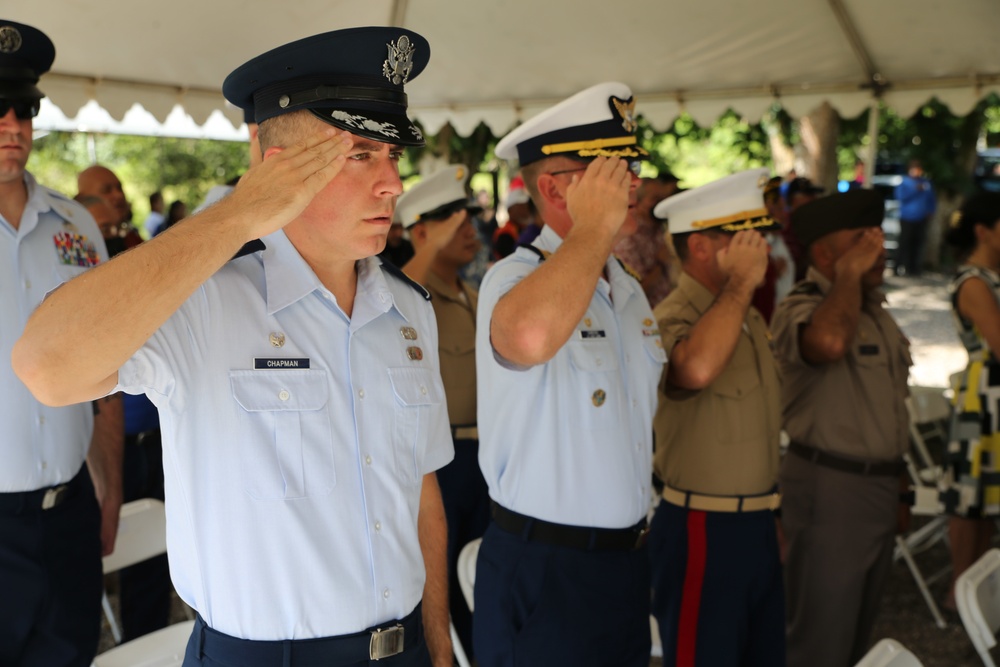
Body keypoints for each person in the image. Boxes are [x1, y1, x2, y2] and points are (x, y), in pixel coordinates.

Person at [15, 26, 454, 667]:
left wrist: (440, 647)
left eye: (393, 156)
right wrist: (236, 217)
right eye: (361, 154)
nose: (392, 183)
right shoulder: (201, 298)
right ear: (278, 171)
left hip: (405, 649)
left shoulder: (406, 309)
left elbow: (420, 491)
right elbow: (44, 367)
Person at [474, 81, 665, 666]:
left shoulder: (624, 285)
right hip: (546, 568)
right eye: (611, 170)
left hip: (625, 564)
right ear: (555, 188)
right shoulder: (512, 279)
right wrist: (591, 231)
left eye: (631, 165)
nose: (633, 183)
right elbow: (530, 335)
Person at [0, 19, 123, 667]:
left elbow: (104, 372)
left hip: (69, 513)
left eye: (24, 108)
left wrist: (109, 492)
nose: (13, 123)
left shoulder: (75, 225)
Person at [649, 168, 784, 667]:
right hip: (702, 527)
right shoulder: (672, 315)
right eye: (743, 236)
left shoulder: (744, 314)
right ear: (702, 247)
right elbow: (696, 368)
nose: (760, 246)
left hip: (756, 521)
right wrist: (745, 282)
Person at [771, 190, 911, 667]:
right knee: (819, 640)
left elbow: (890, 408)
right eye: (861, 240)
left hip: (877, 487)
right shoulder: (802, 305)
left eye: (878, 236)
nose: (878, 248)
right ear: (825, 255)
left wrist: (902, 487)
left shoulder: (875, 311)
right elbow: (828, 342)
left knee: (855, 637)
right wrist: (849, 275)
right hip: (831, 490)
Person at [397, 164, 489, 657]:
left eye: (471, 219)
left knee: (480, 575)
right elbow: (402, 289)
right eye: (455, 222)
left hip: (484, 455)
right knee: (441, 576)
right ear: (421, 231)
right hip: (442, 461)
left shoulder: (475, 297)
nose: (469, 231)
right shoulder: (411, 295)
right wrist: (428, 243)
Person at [941, 192, 1000, 610]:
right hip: (984, 397)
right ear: (983, 231)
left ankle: (978, 594)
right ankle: (960, 590)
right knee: (969, 498)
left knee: (985, 498)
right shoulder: (974, 281)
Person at [613, 172, 681, 307]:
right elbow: (634, 292)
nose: (661, 204)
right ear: (636, 202)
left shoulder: (659, 229)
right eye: (655, 199)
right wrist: (660, 264)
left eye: (663, 198)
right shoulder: (627, 237)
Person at [77, 164, 142, 252]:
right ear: (82, 199)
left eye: (119, 188)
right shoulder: (79, 247)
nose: (119, 195)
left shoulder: (132, 239)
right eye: (106, 190)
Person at [895, 159, 937, 276]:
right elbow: (900, 197)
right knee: (904, 243)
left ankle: (913, 269)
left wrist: (931, 211)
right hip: (907, 218)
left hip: (921, 218)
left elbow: (932, 200)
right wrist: (915, 190)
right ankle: (897, 267)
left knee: (918, 244)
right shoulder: (904, 182)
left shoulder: (926, 183)